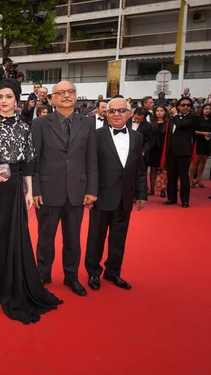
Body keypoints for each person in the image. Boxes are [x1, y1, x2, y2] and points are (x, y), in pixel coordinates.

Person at [0, 78, 62, 324]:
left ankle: (15, 279)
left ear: (16, 99)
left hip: (14, 188)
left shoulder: (24, 125)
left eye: (8, 97)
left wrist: (30, 191)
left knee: (16, 235)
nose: (3, 101)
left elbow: (29, 161)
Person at [31, 80, 98, 297]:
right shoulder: (41, 123)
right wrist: (36, 189)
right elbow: (35, 159)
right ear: (52, 98)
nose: (66, 95)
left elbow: (91, 160)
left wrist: (91, 189)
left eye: (70, 91)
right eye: (61, 92)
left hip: (77, 191)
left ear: (76, 96)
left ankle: (71, 277)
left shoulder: (88, 122)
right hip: (48, 190)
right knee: (45, 238)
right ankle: (42, 274)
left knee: (73, 238)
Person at [85, 98, 147, 291]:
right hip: (100, 196)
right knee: (96, 238)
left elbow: (139, 169)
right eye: (112, 111)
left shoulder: (137, 138)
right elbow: (89, 167)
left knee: (119, 238)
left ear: (129, 114)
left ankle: (113, 272)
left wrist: (141, 194)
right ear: (105, 114)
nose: (116, 114)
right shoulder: (95, 135)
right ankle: (93, 273)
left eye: (121, 111)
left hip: (125, 197)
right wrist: (89, 192)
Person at [163, 97, 199, 208]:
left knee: (184, 176)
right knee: (171, 176)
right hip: (171, 151)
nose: (185, 107)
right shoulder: (173, 118)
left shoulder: (193, 117)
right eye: (183, 105)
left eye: (188, 105)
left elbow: (181, 125)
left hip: (184, 151)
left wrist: (174, 115)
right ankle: (171, 198)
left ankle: (185, 200)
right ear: (178, 106)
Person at [190, 104, 211, 189]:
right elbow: (193, 131)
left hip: (207, 141)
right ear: (202, 109)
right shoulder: (197, 118)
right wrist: (203, 133)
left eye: (209, 109)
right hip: (198, 141)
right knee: (196, 161)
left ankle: (199, 179)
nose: (208, 110)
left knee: (203, 161)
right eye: (206, 108)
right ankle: (190, 179)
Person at [148, 105, 170, 197]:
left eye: (161, 110)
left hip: (163, 148)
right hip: (153, 148)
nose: (159, 112)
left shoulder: (168, 123)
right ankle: (152, 189)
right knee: (153, 169)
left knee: (163, 169)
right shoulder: (151, 123)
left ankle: (162, 189)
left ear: (165, 112)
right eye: (157, 111)